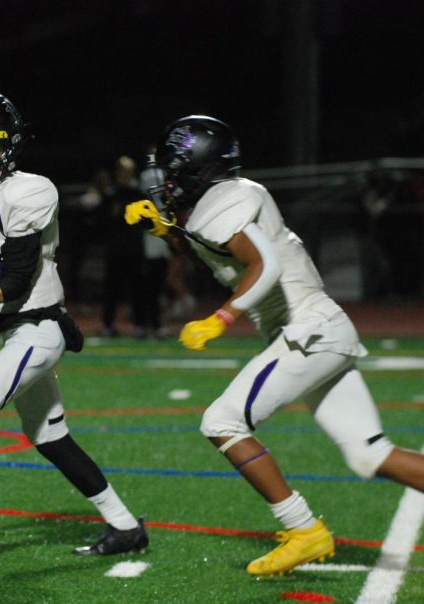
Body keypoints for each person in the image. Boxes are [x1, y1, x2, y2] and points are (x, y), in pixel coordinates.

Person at [125, 115, 424, 577]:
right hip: (318, 328)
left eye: (170, 166)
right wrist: (167, 233)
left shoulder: (224, 203)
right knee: (369, 453)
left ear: (194, 168)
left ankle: (304, 531)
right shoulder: (218, 202)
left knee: (222, 421)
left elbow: (263, 266)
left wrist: (221, 319)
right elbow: (218, 253)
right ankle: (305, 531)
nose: (162, 176)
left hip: (308, 330)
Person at [0, 93, 148, 565]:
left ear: (10, 146)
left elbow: (14, 279)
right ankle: (125, 526)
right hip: (20, 328)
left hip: (41, 325)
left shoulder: (31, 190)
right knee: (50, 438)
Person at [101, 156, 145, 337]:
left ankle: (140, 325)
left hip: (134, 248)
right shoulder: (111, 195)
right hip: (115, 249)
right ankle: (108, 325)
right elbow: (102, 222)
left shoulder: (138, 194)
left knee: (138, 289)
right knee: (111, 289)